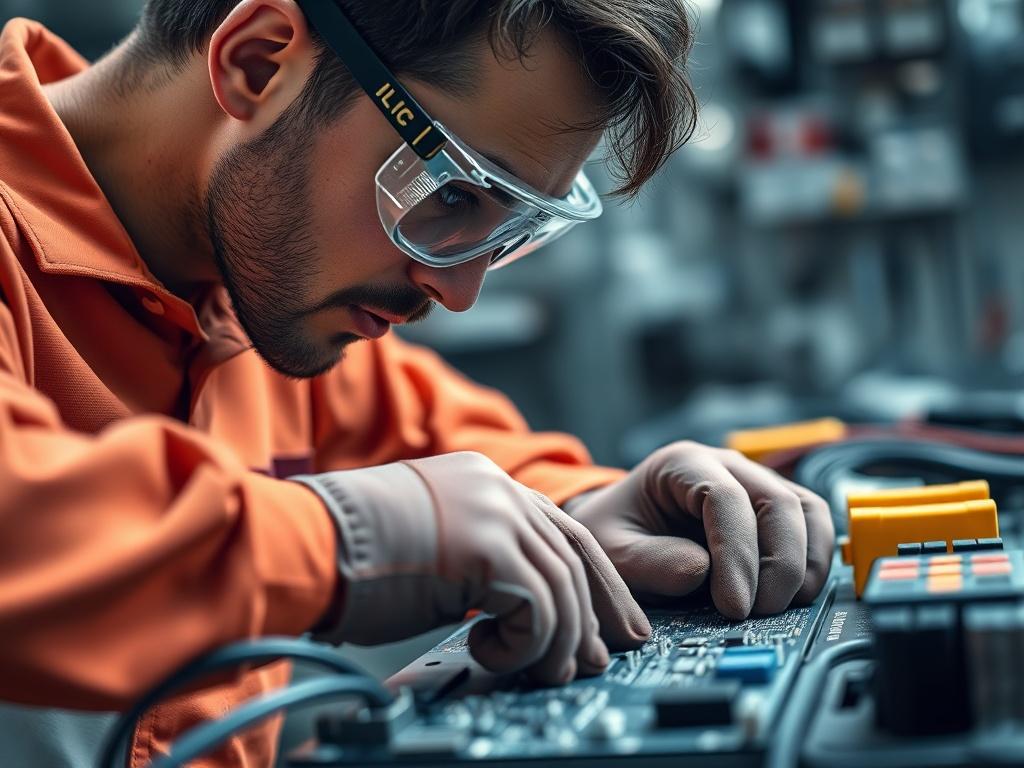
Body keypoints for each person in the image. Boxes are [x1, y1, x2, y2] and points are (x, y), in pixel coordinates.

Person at [0, 0, 834, 765]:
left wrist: (581, 510)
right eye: (452, 192)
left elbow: (454, 446)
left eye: (511, 226)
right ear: (258, 65)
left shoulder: (252, 300)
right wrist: (346, 542)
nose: (459, 293)